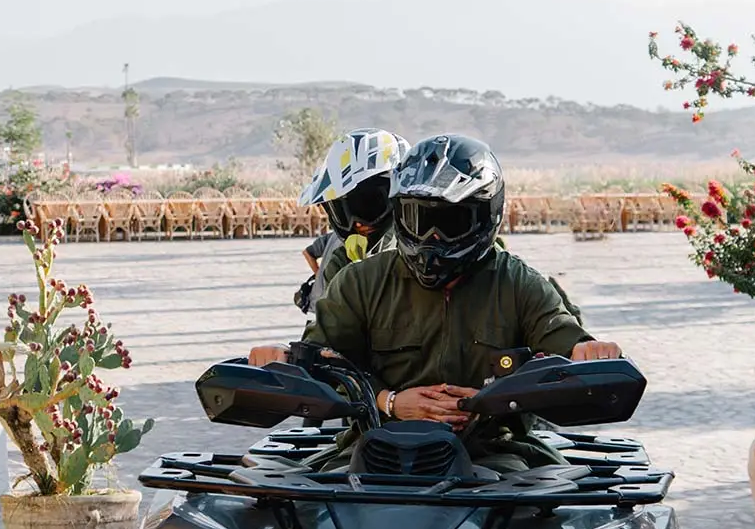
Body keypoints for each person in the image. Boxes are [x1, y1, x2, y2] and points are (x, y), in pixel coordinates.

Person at [251, 134, 621, 471]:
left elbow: (563, 340)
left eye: (451, 221)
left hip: (495, 457)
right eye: (419, 219)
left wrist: (586, 353)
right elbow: (321, 359)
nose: (432, 236)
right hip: (371, 452)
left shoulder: (518, 283)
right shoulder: (359, 281)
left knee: (563, 527)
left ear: (485, 216)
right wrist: (388, 400)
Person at [297, 127, 409, 308]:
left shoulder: (421, 255)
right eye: (342, 210)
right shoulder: (341, 258)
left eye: (368, 205)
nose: (356, 223)